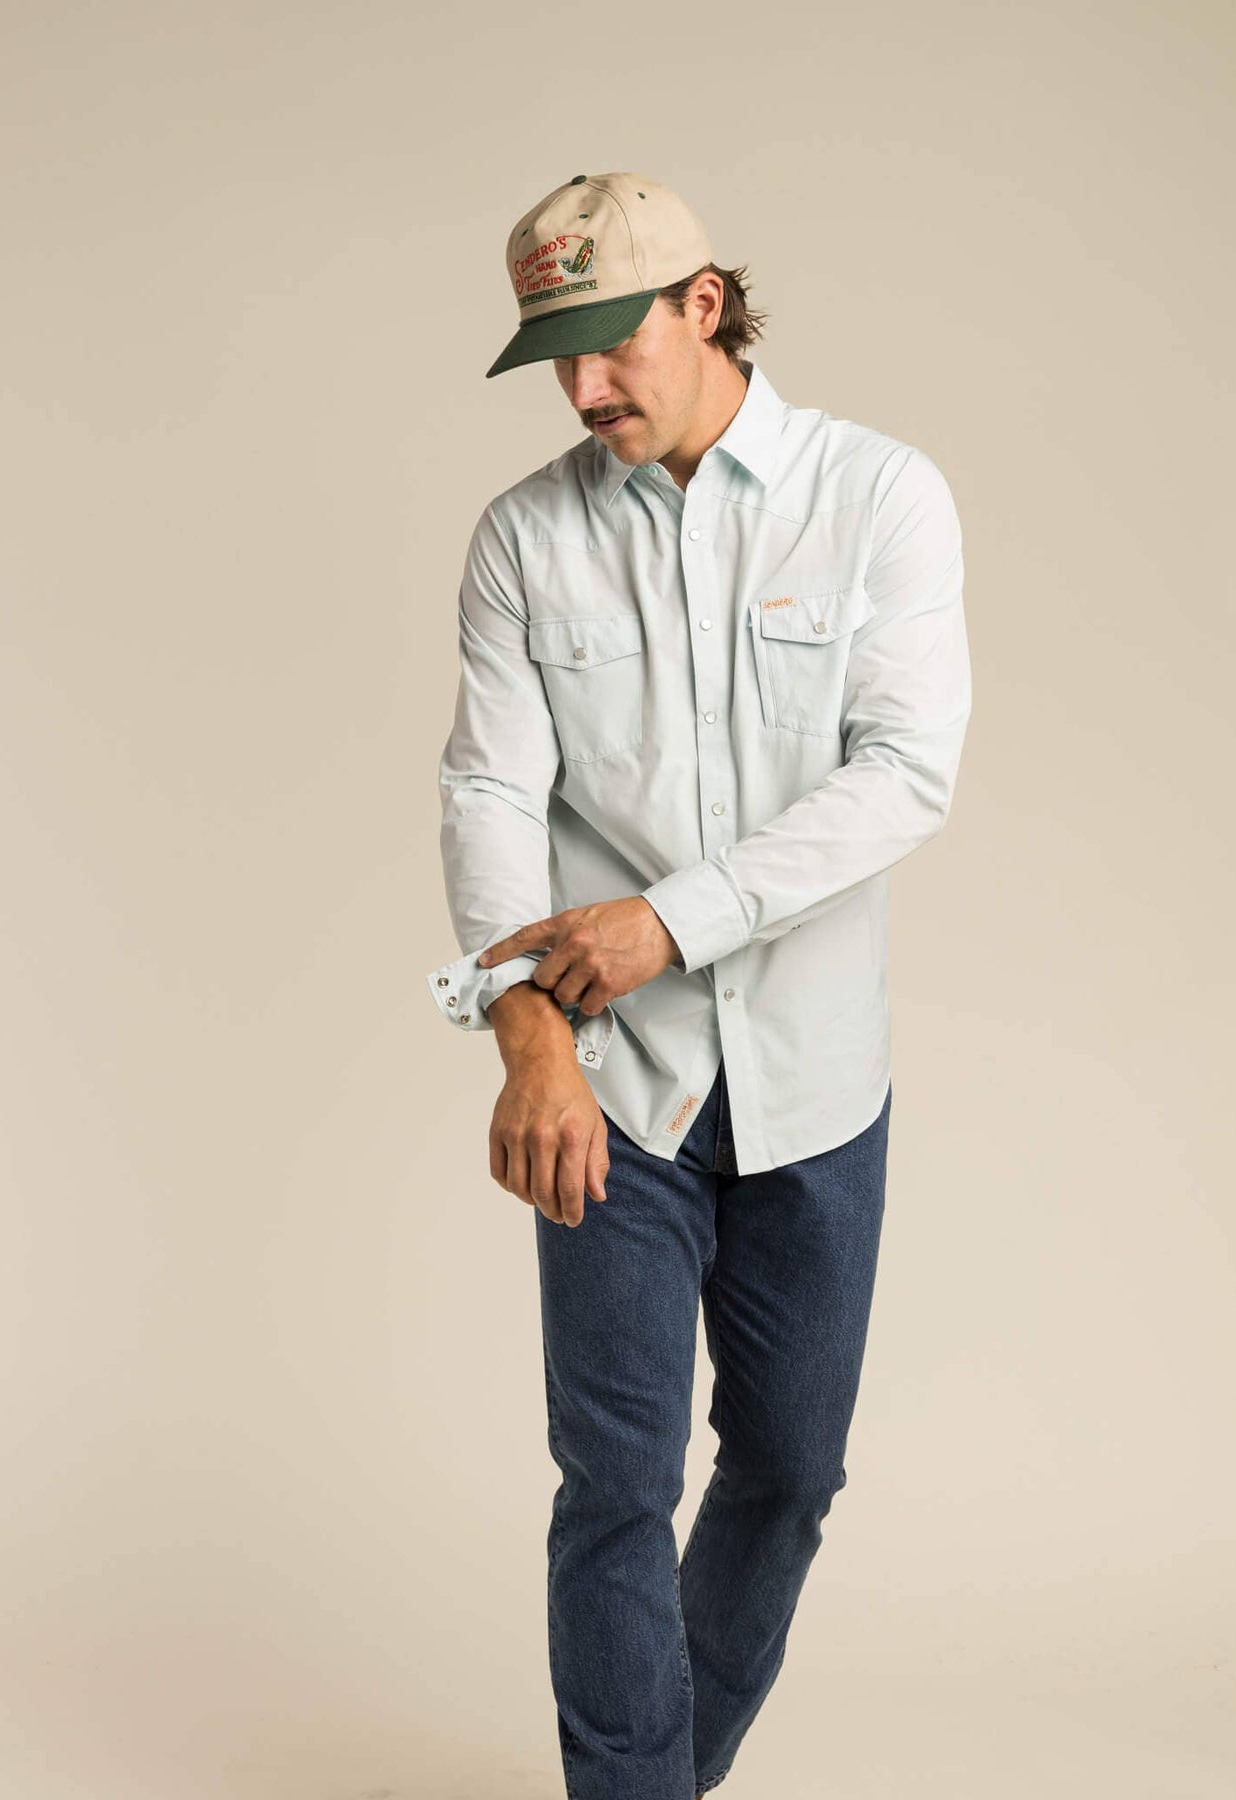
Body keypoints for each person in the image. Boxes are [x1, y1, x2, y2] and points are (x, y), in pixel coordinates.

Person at [423, 170, 971, 1800]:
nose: (586, 388)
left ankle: (665, 1771)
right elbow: (489, 794)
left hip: (817, 1082)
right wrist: (523, 1035)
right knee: (613, 1486)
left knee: (791, 1471)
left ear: (704, 305)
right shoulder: (526, 537)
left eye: (613, 343)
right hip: (611, 1088)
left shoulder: (878, 497)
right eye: (558, 357)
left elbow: (905, 772)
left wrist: (670, 922)